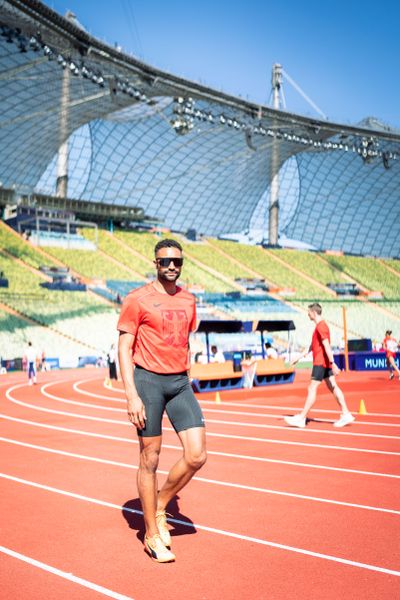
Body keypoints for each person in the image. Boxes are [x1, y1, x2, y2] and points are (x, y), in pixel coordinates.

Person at [118, 238, 206, 563]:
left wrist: (189, 375)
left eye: (177, 261)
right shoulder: (137, 299)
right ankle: (152, 535)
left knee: (197, 455)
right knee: (150, 459)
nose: (172, 266)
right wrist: (131, 395)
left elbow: (183, 341)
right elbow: (124, 349)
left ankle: (160, 503)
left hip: (180, 383)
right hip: (148, 382)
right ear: (155, 263)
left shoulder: (189, 300)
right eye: (166, 261)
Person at [284, 303, 355, 428]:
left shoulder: (321, 327)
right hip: (324, 362)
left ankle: (301, 417)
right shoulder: (320, 326)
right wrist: (298, 358)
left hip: (321, 362)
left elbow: (327, 346)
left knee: (312, 388)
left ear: (314, 313)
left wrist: (333, 364)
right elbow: (312, 346)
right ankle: (346, 413)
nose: (307, 314)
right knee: (333, 387)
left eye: (309, 312)